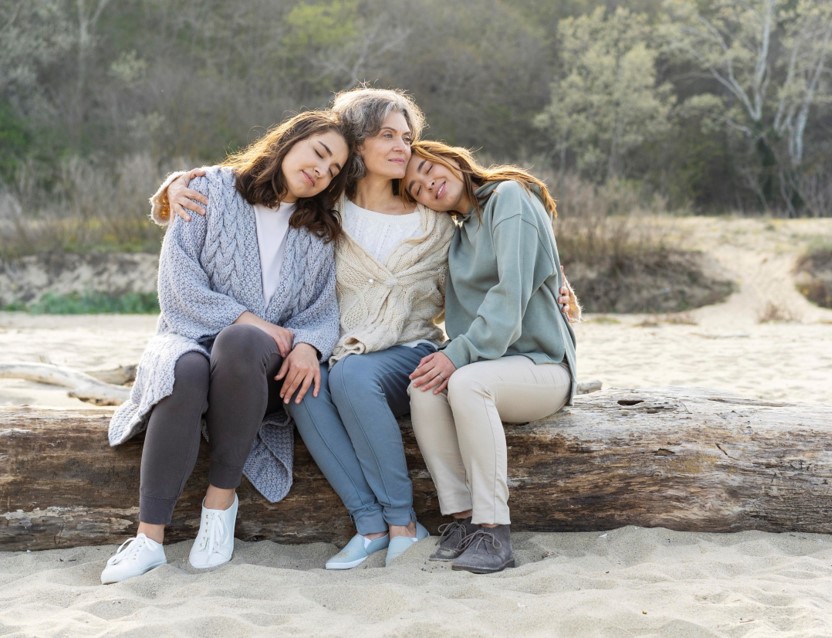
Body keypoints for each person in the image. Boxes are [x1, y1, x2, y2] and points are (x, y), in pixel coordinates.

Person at [159, 87, 453, 569]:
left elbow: (484, 247)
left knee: (349, 376)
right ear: (356, 144)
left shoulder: (432, 216)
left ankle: (403, 521)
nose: (403, 146)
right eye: (387, 135)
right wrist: (172, 187)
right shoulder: (323, 211)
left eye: (407, 136)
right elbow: (250, 197)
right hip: (336, 350)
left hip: (406, 350)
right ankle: (370, 525)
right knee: (302, 387)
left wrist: (554, 286)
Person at [100, 110, 348, 584]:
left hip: (258, 366)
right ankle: (149, 539)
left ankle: (220, 504)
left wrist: (309, 347)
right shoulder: (210, 189)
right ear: (289, 140)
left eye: (334, 169)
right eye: (319, 153)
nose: (322, 170)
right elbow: (178, 284)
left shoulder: (318, 232)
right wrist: (247, 316)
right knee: (184, 369)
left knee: (238, 341)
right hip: (186, 333)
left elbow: (320, 313)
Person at [402, 140, 577, 575]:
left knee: (464, 380)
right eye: (416, 188)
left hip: (543, 366)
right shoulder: (459, 239)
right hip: (495, 368)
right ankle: (462, 522)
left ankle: (493, 530)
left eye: (427, 168)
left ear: (451, 157)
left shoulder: (509, 197)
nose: (428, 184)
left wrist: (457, 354)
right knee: (423, 388)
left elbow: (511, 294)